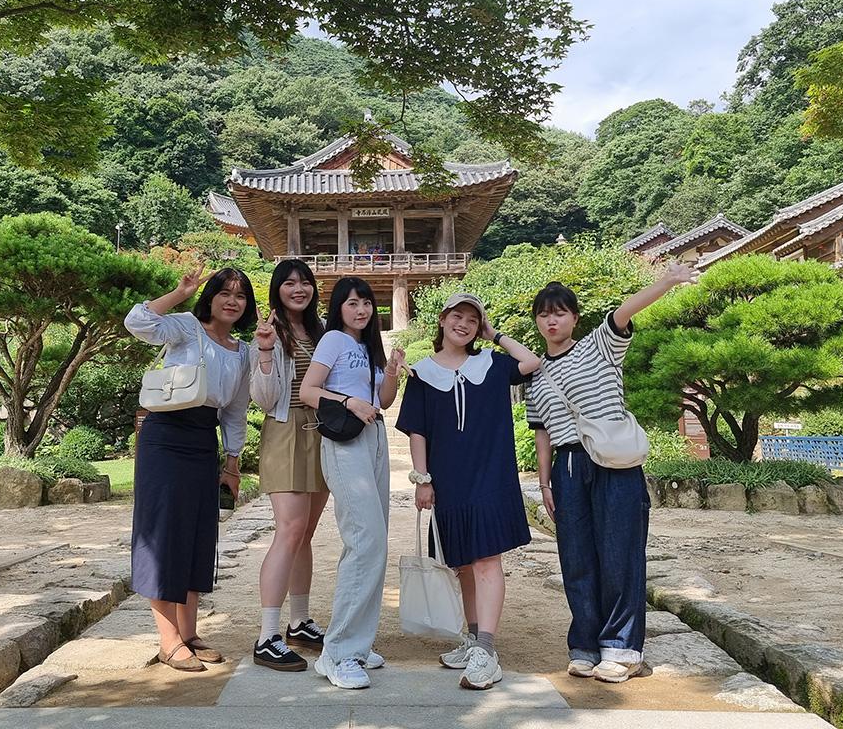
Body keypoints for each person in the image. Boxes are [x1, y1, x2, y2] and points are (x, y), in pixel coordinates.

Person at [525, 263, 697, 684]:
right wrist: (544, 482)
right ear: (537, 320)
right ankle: (584, 644)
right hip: (566, 467)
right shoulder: (534, 377)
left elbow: (624, 311)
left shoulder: (600, 346)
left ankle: (622, 648)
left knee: (620, 553)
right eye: (545, 313)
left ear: (574, 317)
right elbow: (542, 433)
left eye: (560, 312)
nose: (552, 320)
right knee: (577, 559)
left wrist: (668, 282)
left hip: (613, 463)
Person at [396, 293, 542, 690]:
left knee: (485, 563)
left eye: (473, 320)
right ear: (442, 320)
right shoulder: (422, 373)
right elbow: (417, 430)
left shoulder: (491, 364)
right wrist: (422, 479)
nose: (464, 324)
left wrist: (497, 335)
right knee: (461, 564)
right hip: (448, 481)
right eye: (457, 316)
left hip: (491, 477)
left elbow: (531, 362)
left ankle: (487, 651)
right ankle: (474, 639)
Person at [124, 265, 255, 672]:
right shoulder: (184, 327)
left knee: (199, 532)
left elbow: (235, 410)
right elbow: (137, 321)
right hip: (165, 435)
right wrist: (179, 293)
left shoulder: (244, 351)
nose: (232, 301)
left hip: (203, 438)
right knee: (163, 533)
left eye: (240, 295)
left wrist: (232, 461)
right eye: (224, 293)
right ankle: (168, 640)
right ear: (210, 297)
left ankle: (189, 631)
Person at [299, 276, 404, 690]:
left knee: (375, 541)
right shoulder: (333, 342)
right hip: (345, 441)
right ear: (338, 307)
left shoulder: (368, 348)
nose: (361, 310)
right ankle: (337, 652)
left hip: (374, 436)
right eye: (352, 303)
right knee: (364, 540)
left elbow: (386, 401)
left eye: (366, 303)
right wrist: (348, 401)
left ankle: (357, 645)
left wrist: (392, 372)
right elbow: (309, 390)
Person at [248, 259, 328, 672]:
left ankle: (299, 622)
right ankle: (267, 635)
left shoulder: (320, 331)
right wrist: (264, 350)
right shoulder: (269, 333)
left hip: (320, 433)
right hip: (286, 430)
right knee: (289, 530)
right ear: (277, 289)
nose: (299, 289)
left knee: (306, 533)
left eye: (305, 282)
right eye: (290, 283)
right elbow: (263, 398)